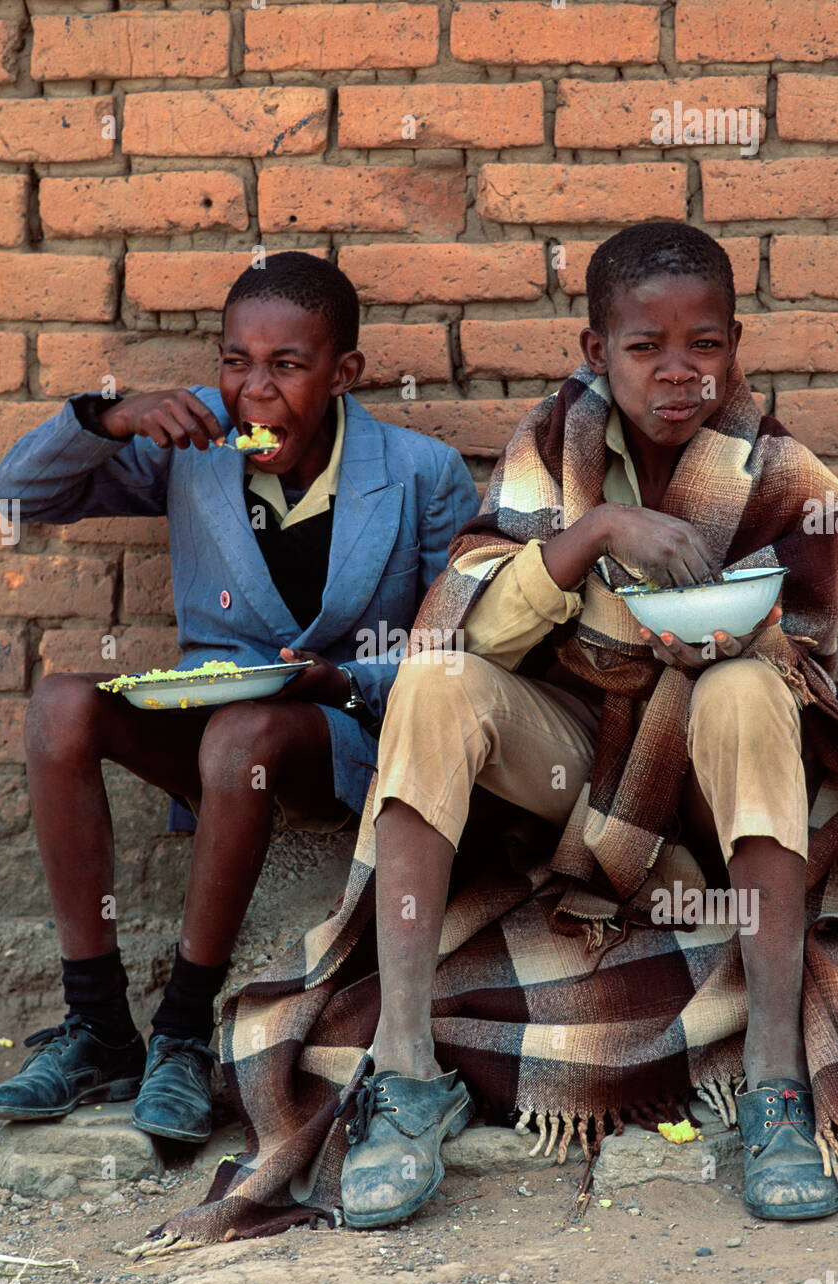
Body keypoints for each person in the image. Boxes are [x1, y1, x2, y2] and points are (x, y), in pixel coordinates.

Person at [339, 221, 838, 1228]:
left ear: (735, 345)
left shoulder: (784, 475)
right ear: (593, 352)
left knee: (741, 692)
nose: (677, 370)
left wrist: (760, 643)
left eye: (703, 343)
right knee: (434, 685)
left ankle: (777, 1082)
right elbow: (468, 622)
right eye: (645, 346)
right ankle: (403, 1070)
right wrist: (595, 535)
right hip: (571, 766)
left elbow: (828, 656)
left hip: (707, 795)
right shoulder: (548, 451)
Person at [0, 251, 479, 1145]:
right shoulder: (195, 452)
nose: (254, 391)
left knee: (247, 729)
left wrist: (346, 681)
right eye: (235, 363)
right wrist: (107, 417)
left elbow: (458, 655)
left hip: (343, 739)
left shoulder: (421, 473)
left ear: (343, 373)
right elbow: (16, 497)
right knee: (61, 703)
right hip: (211, 736)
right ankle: (97, 1025)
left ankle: (182, 1030)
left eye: (286, 366)